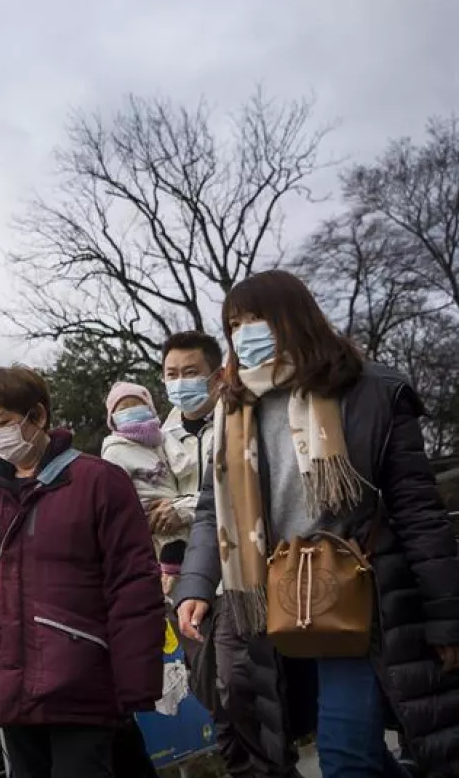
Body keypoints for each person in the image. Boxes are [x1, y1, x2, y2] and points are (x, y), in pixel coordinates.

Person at [175, 269, 459, 777]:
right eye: (234, 324)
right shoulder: (232, 408)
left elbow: (419, 513)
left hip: (358, 597)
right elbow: (211, 510)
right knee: (353, 754)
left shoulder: (370, 391)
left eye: (256, 318)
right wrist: (195, 585)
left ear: (293, 317)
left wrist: (446, 616)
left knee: (346, 755)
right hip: (273, 604)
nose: (244, 333)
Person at [0, 365, 165, 777]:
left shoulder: (98, 481)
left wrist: (135, 681)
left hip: (81, 681)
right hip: (12, 686)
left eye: (2, 422)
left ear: (37, 416)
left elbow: (133, 586)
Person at [162, 331, 302, 778]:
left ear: (216, 374)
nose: (180, 382)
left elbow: (220, 500)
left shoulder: (239, 417)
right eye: (171, 374)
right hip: (189, 580)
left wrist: (179, 509)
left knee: (244, 691)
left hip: (245, 576)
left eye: (190, 372)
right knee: (215, 699)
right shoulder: (160, 438)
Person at [100, 381, 183, 593]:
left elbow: (183, 466)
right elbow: (115, 497)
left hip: (177, 511)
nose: (131, 411)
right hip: (149, 521)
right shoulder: (114, 451)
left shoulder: (163, 441)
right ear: (113, 419)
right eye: (123, 408)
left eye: (136, 405)